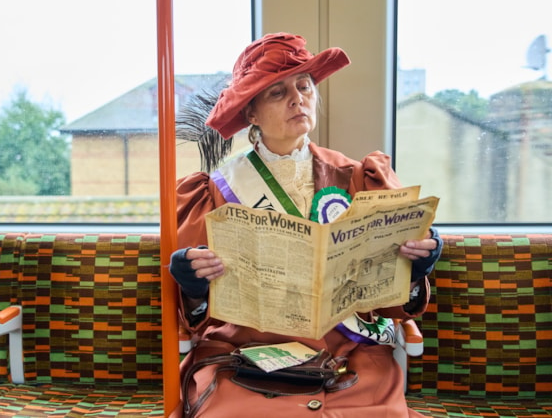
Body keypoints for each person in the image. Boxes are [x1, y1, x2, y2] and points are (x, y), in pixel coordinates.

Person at [169, 32, 442, 418]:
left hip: (350, 354)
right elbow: (200, 314)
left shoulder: (360, 177)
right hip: (245, 358)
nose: (298, 98)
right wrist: (194, 286)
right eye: (278, 93)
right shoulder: (212, 192)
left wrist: (414, 269)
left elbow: (392, 303)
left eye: (304, 86)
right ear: (251, 113)